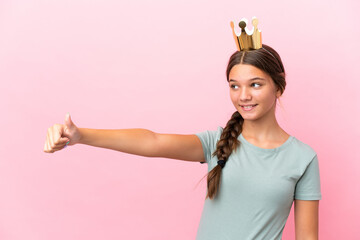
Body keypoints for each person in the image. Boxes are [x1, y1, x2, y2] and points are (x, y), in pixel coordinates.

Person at [44, 18, 321, 240]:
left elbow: (307, 237)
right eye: (234, 85)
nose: (243, 95)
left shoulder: (302, 158)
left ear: (279, 86)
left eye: (255, 84)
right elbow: (153, 141)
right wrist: (80, 136)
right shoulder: (218, 142)